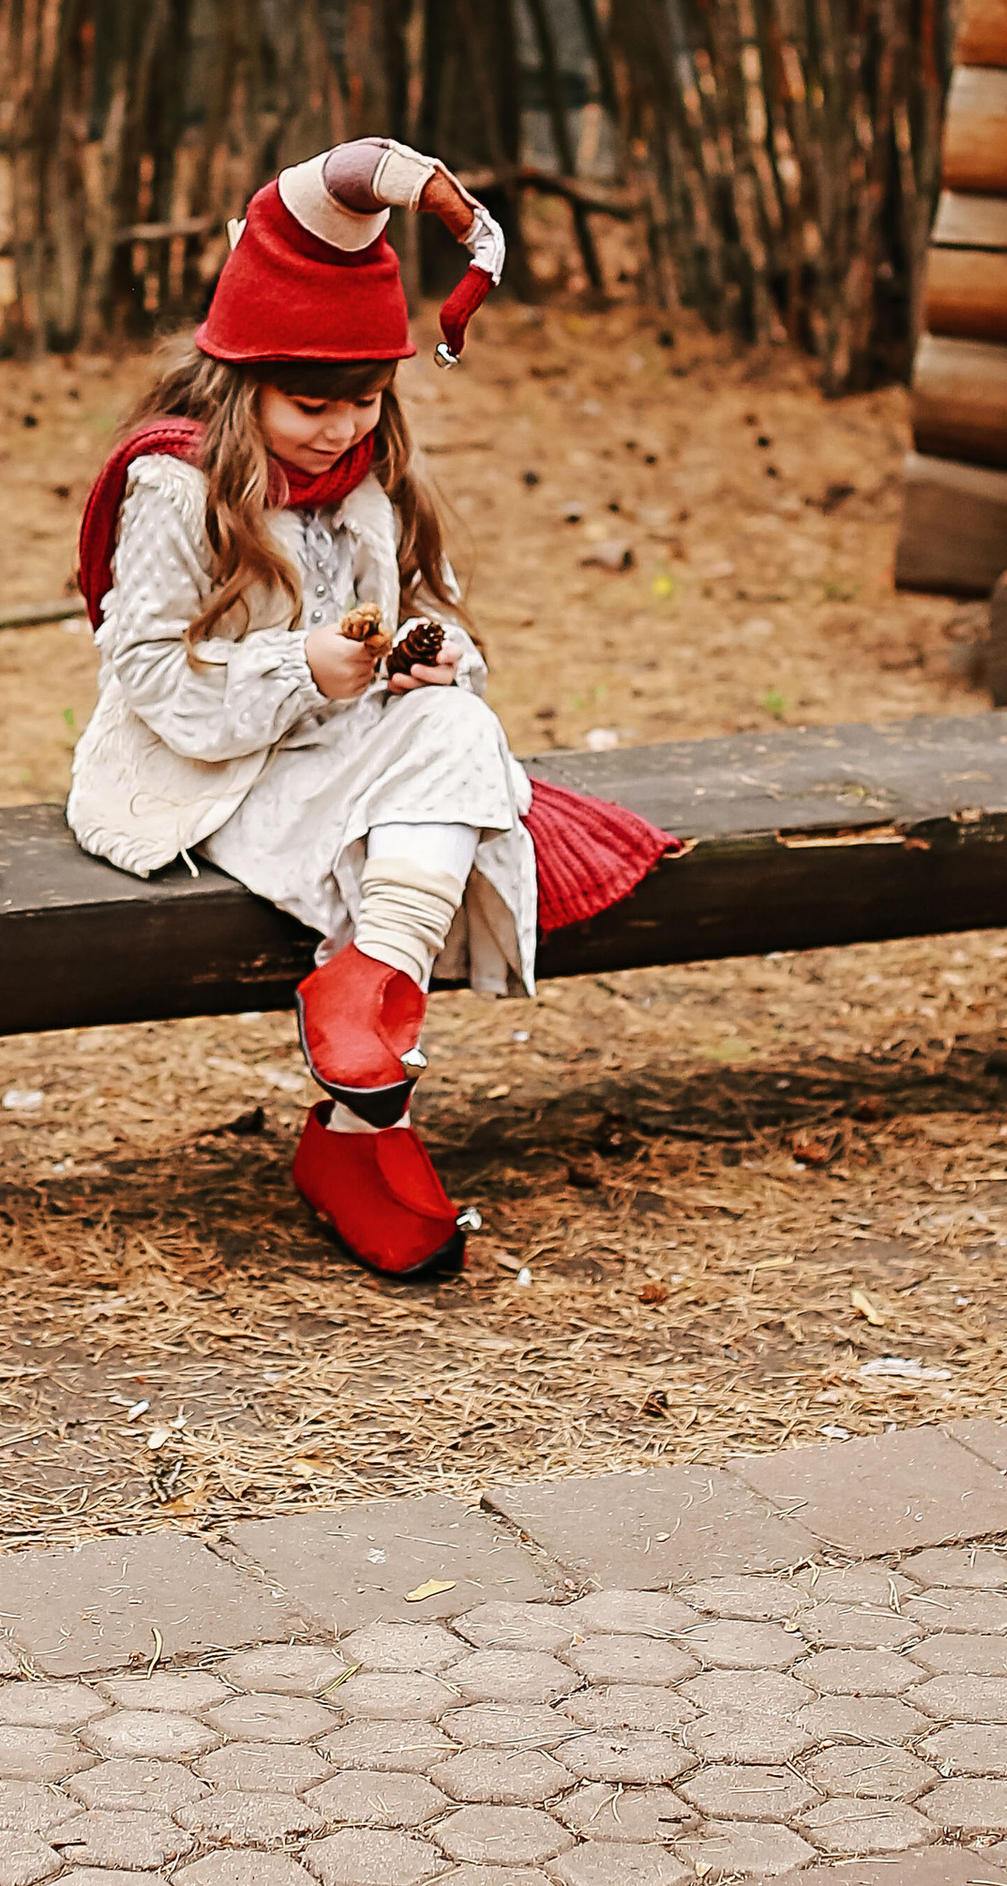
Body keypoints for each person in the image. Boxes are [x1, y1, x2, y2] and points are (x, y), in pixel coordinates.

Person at [69, 140, 675, 1281]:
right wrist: (302, 668)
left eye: (365, 402)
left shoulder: (370, 476)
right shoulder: (173, 484)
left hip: (351, 753)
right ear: (239, 379)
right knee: (452, 794)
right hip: (212, 777)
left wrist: (435, 656)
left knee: (458, 728)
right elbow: (146, 674)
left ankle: (366, 1004)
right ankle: (366, 1134)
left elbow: (431, 609)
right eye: (311, 405)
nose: (342, 430)